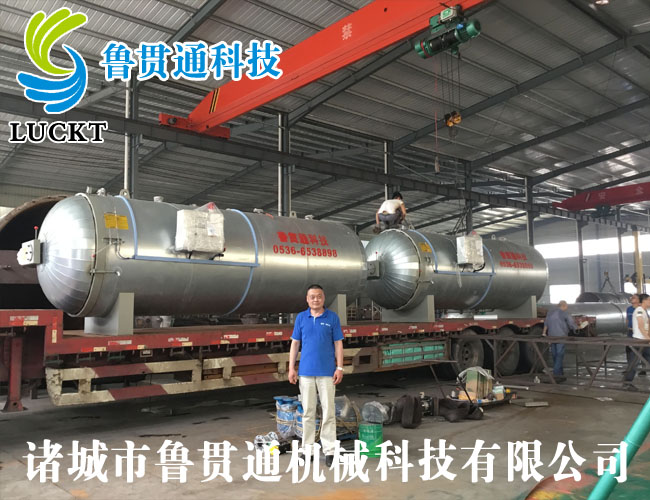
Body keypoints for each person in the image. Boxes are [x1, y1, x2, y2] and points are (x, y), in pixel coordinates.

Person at [288, 284, 344, 468]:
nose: (315, 299)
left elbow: (338, 344)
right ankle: (308, 450)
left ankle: (330, 451)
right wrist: (291, 368)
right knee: (308, 413)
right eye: (312, 297)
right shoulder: (301, 318)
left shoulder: (332, 318)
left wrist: (339, 367)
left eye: (319, 296)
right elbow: (295, 344)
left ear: (323, 298)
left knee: (328, 412)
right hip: (305, 373)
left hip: (327, 373)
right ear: (307, 299)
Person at [542, 300, 576, 380]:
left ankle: (560, 374)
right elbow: (571, 323)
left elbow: (546, 323)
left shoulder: (550, 312)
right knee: (559, 355)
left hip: (551, 336)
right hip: (561, 336)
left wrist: (544, 333)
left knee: (554, 355)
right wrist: (577, 328)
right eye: (566, 306)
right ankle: (556, 374)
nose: (567, 308)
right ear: (564, 306)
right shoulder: (564, 313)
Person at [623, 293, 650, 390]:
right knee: (634, 363)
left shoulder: (644, 311)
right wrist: (648, 338)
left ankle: (627, 382)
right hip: (639, 341)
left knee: (635, 362)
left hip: (643, 341)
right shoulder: (639, 311)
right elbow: (640, 326)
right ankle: (627, 383)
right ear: (644, 301)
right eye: (649, 300)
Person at [625, 294, 642, 376]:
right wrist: (627, 327)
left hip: (638, 333)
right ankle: (629, 369)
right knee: (629, 350)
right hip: (630, 332)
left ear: (639, 300)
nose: (632, 298)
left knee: (641, 351)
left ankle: (643, 368)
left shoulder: (640, 309)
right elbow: (627, 319)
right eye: (632, 297)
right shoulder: (629, 309)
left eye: (634, 297)